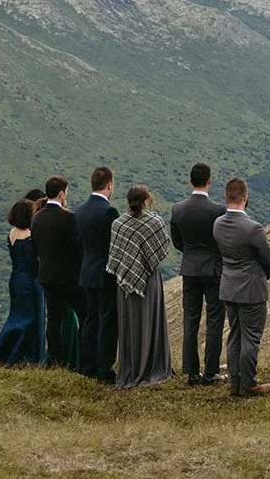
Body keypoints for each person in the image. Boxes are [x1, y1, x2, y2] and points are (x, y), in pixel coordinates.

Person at [213, 177, 270, 398]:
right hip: (251, 288)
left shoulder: (218, 224)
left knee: (235, 335)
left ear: (226, 196)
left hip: (228, 286)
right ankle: (248, 383)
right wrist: (264, 275)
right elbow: (267, 257)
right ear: (245, 198)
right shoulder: (253, 228)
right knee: (251, 337)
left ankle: (235, 384)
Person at [107, 185, 175, 388]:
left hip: (125, 282)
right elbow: (162, 248)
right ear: (145, 202)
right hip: (150, 279)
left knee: (130, 323)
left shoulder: (118, 224)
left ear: (128, 202)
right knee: (150, 320)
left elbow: (117, 256)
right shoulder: (155, 222)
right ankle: (154, 365)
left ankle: (131, 367)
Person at [170, 163, 226, 386]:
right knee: (214, 320)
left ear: (190, 181)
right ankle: (210, 371)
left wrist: (191, 253)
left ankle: (191, 371)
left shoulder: (178, 209)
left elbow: (177, 242)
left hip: (190, 269)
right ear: (209, 181)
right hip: (212, 269)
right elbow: (221, 240)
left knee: (190, 319)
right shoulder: (217, 210)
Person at [0, 197, 47, 366]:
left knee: (16, 317)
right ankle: (31, 358)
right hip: (31, 281)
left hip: (16, 279)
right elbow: (34, 264)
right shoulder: (29, 236)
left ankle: (3, 350)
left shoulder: (11, 234)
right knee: (34, 319)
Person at [31, 175, 85, 371]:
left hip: (46, 274)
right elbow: (76, 249)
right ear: (62, 194)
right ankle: (82, 357)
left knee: (53, 318)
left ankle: (55, 360)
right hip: (68, 276)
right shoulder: (68, 217)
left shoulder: (36, 217)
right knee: (84, 314)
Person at [76, 166, 121, 383]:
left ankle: (86, 364)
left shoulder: (80, 210)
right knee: (107, 321)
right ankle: (104, 368)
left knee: (89, 319)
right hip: (105, 272)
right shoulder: (109, 212)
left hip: (86, 271)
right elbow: (114, 245)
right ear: (109, 185)